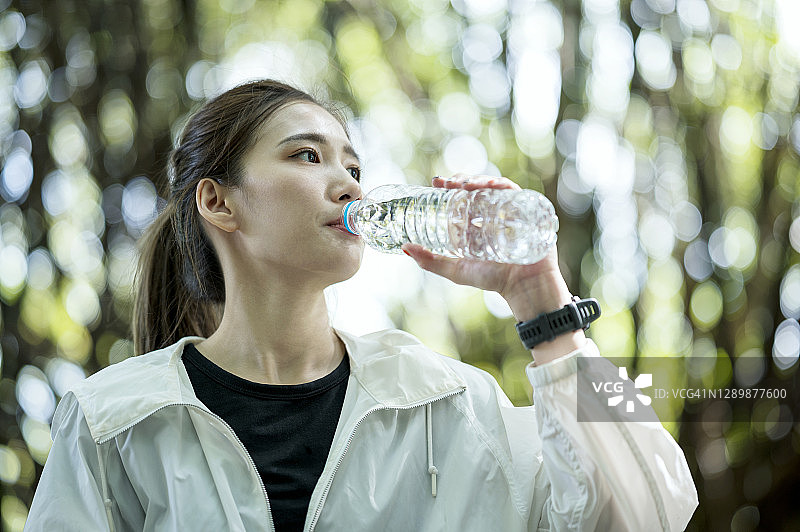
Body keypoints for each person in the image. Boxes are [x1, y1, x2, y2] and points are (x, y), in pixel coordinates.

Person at [25, 80, 698, 531]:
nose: (347, 184)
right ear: (218, 202)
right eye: (307, 156)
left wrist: (542, 306)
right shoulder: (115, 422)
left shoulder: (445, 404)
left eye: (353, 166)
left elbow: (651, 513)